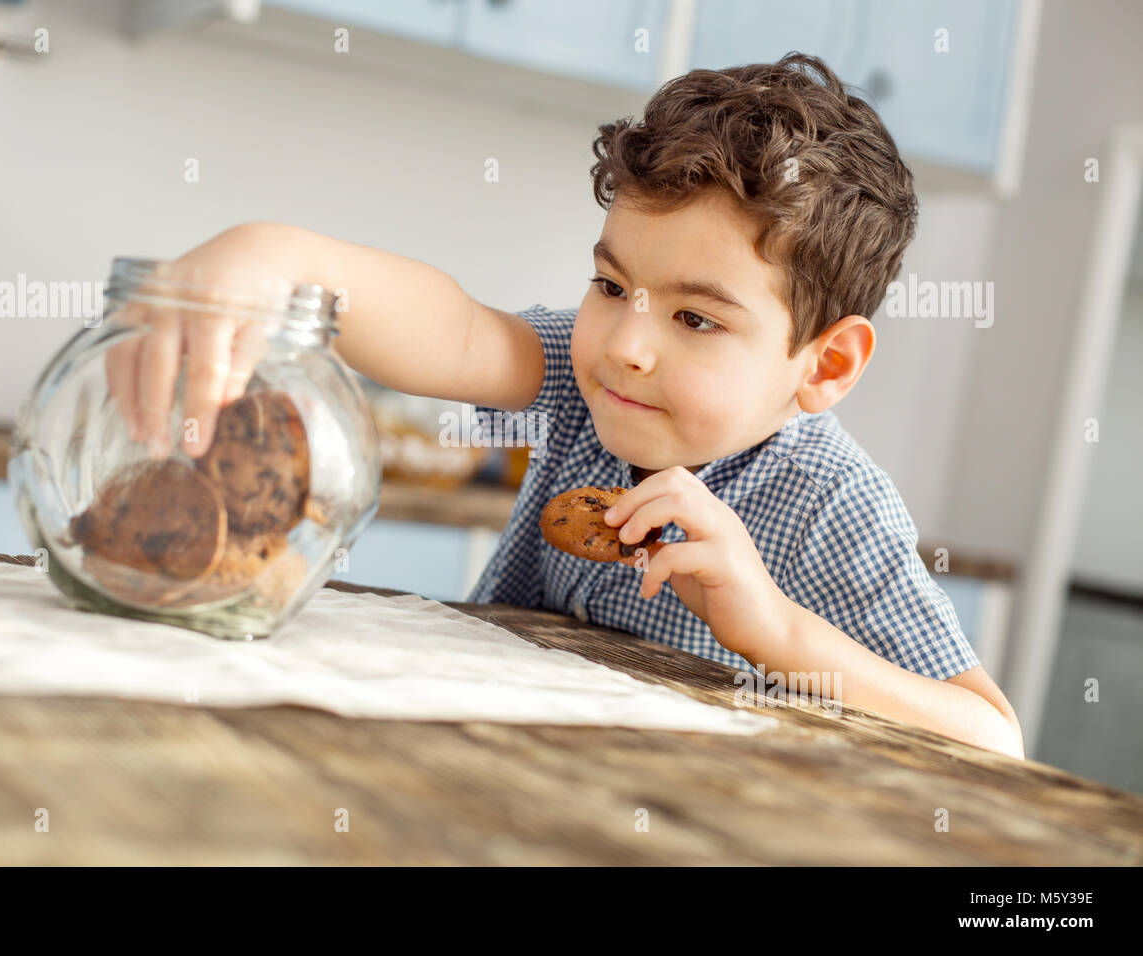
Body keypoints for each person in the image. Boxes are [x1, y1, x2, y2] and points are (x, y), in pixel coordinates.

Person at [106, 52, 1024, 759]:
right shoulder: (596, 391)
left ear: (824, 366)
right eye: (610, 283)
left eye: (696, 318)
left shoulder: (832, 505)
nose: (627, 340)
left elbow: (991, 737)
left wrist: (770, 625)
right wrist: (278, 256)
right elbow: (458, 331)